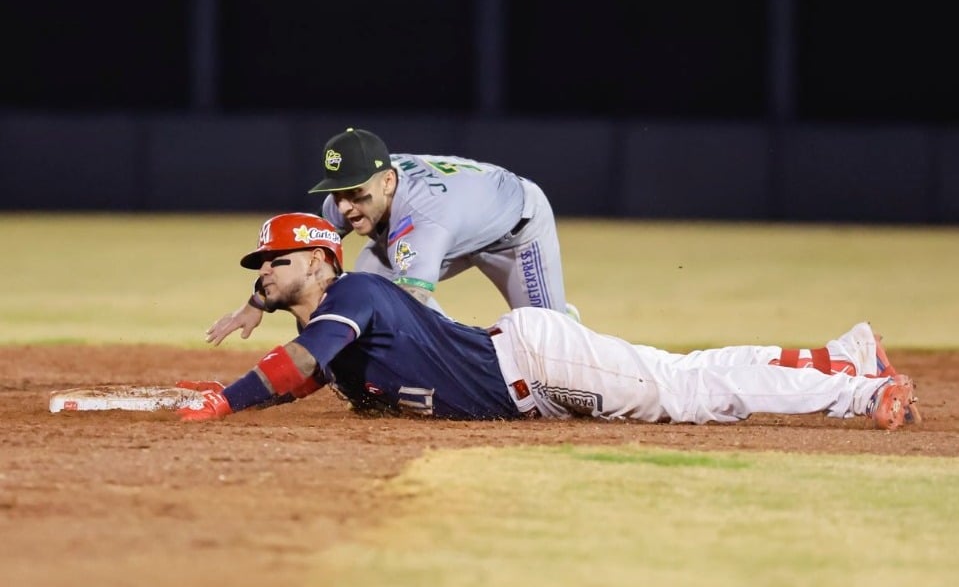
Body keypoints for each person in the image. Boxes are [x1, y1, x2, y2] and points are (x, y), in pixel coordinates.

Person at [178, 212, 921, 431]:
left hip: (538, 365)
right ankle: (841, 355)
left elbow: (300, 367)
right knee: (685, 373)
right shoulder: (338, 321)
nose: (264, 272)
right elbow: (307, 374)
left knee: (695, 396)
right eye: (260, 265)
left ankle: (854, 390)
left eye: (275, 259)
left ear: (318, 260)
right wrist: (242, 387)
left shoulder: (354, 299)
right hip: (529, 363)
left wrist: (225, 399)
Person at [205, 127, 578, 346]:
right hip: (455, 220)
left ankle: (562, 322)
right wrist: (257, 302)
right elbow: (303, 260)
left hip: (515, 227)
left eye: (356, 195)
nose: (347, 207)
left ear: (387, 181)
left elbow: (408, 305)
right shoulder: (348, 200)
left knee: (548, 339)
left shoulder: (425, 218)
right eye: (338, 193)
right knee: (358, 284)